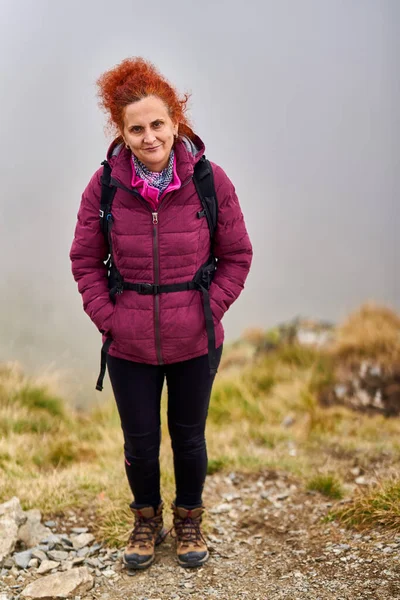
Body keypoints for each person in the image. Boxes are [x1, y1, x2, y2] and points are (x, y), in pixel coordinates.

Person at [70, 57, 252, 570]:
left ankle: (189, 518)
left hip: (195, 336)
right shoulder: (104, 185)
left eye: (157, 124)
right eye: (136, 129)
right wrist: (109, 317)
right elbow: (84, 258)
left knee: (190, 437)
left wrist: (207, 310)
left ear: (176, 121)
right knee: (140, 441)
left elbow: (237, 255)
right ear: (122, 132)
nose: (149, 137)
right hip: (127, 342)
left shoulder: (210, 181)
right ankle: (146, 521)